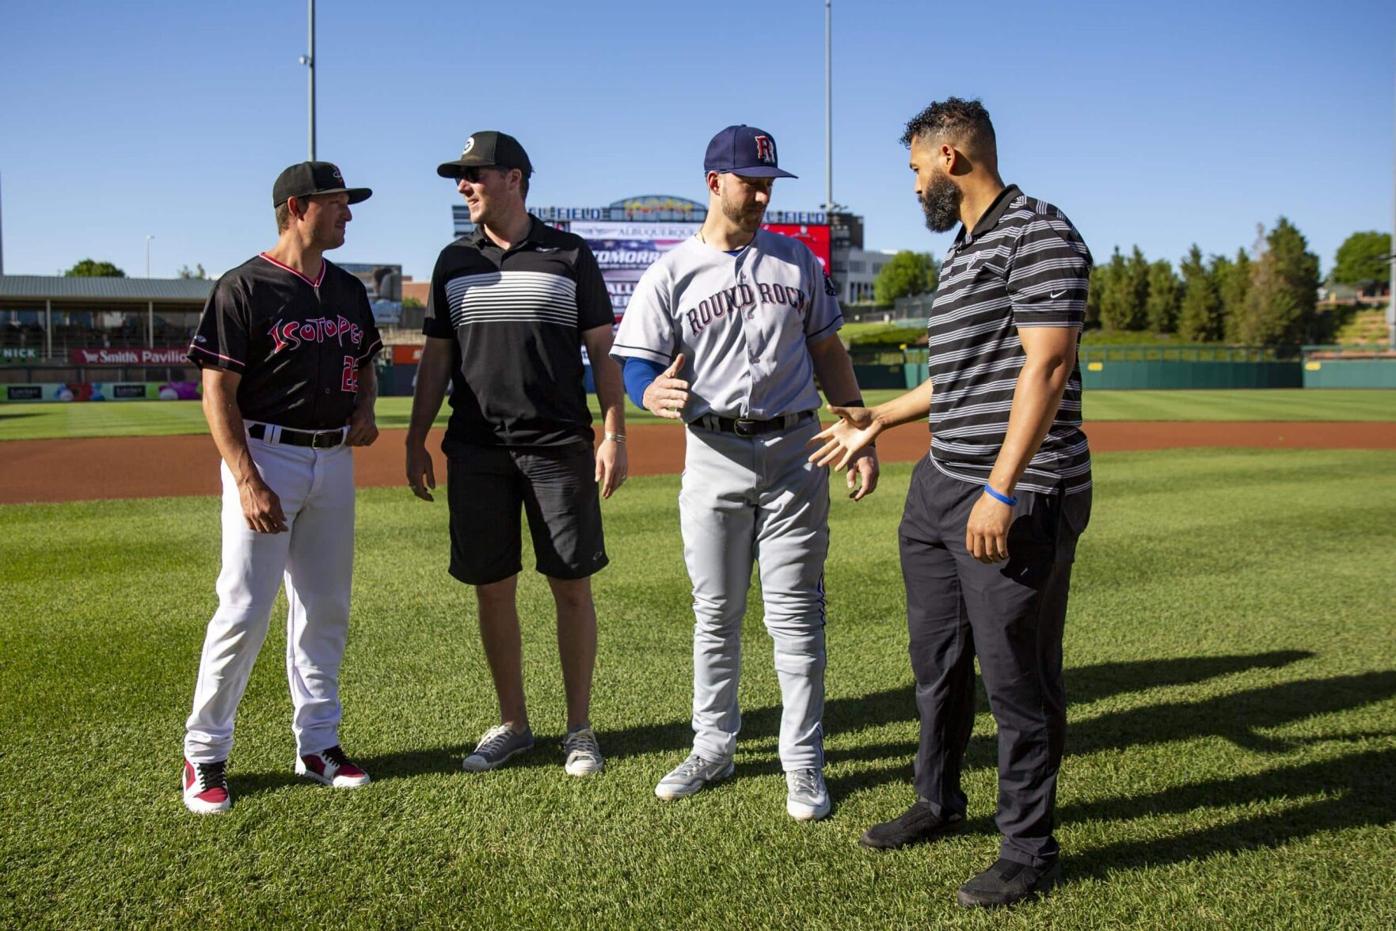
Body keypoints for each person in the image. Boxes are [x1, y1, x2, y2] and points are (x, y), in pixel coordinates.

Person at [809, 98, 1093, 907]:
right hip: (940, 484)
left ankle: (1028, 848)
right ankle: (939, 798)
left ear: (951, 158)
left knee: (1017, 677)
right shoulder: (964, 251)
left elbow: (1047, 367)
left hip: (1019, 487)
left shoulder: (1040, 233)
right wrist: (876, 420)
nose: (912, 185)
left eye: (914, 168)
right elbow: (961, 381)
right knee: (937, 665)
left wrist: (1001, 489)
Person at [612, 124, 878, 821]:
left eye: (768, 182)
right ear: (714, 183)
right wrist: (646, 391)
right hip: (714, 455)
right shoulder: (671, 272)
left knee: (796, 617)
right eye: (749, 181)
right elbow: (634, 361)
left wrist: (856, 426)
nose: (761, 193)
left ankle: (803, 761)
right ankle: (713, 746)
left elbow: (830, 352)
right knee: (716, 615)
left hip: (795, 453)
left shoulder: (796, 262)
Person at [406, 131, 626, 777]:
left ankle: (579, 728)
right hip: (476, 450)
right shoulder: (453, 261)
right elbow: (436, 360)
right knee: (492, 591)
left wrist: (614, 432)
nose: (463, 185)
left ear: (515, 178)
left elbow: (603, 352)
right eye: (460, 176)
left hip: (558, 447)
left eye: (474, 174)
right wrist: (416, 436)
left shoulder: (569, 254)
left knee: (572, 589)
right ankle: (514, 723)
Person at [181, 161, 382, 814]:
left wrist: (366, 409)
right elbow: (217, 388)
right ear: (298, 207)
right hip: (267, 454)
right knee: (243, 607)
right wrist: (245, 477)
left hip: (333, 460)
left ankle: (318, 744)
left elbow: (364, 362)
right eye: (338, 203)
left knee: (325, 606)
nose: (348, 213)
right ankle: (205, 752)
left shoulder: (348, 289)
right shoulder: (245, 286)